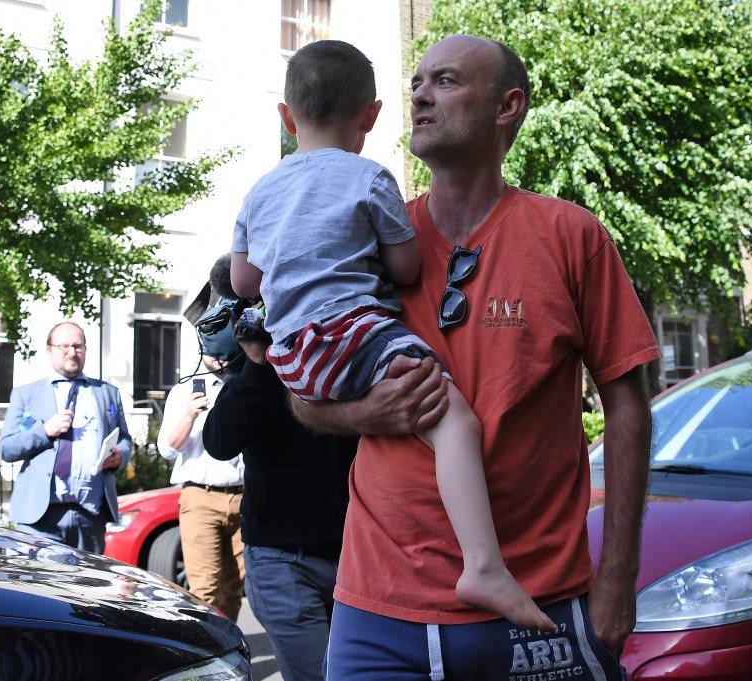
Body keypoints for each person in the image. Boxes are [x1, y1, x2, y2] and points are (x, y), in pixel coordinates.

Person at [295, 35, 662, 680]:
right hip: (378, 608)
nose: (419, 95)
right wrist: (364, 413)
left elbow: (627, 404)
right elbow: (302, 390)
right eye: (416, 83)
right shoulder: (366, 236)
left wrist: (617, 579)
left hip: (539, 603)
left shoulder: (570, 236)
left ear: (506, 106)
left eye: (445, 80)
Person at [230, 39, 553, 632]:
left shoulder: (260, 190)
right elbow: (406, 270)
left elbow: (244, 278)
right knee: (455, 421)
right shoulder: (368, 177)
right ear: (371, 117)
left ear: (285, 115)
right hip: (348, 331)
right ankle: (483, 563)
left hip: (294, 354)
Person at [202, 337, 358, 681]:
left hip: (354, 556)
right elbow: (219, 441)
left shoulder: (349, 346)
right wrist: (257, 365)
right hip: (283, 559)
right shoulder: (257, 367)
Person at [0, 321, 132, 554]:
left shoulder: (107, 393)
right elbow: (6, 449)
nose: (72, 353)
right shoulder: (26, 394)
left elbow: (125, 439)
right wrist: (44, 432)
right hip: (39, 519)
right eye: (64, 346)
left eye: (78, 346)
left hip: (89, 515)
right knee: (36, 587)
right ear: (49, 350)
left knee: (87, 588)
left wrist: (121, 455)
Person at [156, 352, 246, 622]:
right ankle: (208, 652)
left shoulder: (245, 384)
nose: (220, 358)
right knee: (204, 590)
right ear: (201, 351)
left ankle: (226, 647)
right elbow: (167, 450)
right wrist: (189, 415)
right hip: (201, 498)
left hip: (243, 496)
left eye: (224, 351)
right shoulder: (185, 390)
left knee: (234, 589)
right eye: (212, 352)